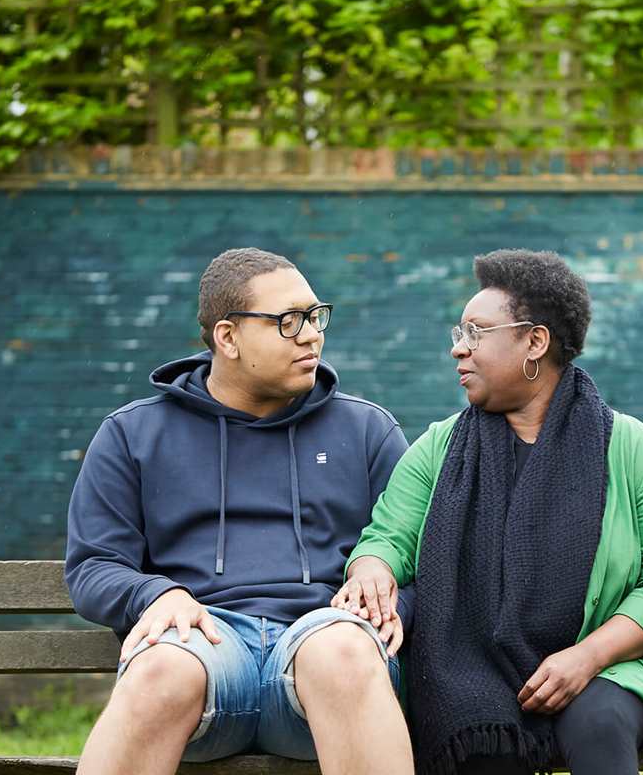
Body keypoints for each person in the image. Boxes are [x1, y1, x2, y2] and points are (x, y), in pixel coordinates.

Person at [334, 249, 643, 775]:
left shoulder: (632, 450)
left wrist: (586, 658)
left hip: (607, 667)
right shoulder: (439, 449)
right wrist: (372, 566)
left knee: (596, 720)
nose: (458, 350)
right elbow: (387, 537)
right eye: (458, 333)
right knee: (476, 734)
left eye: (476, 332)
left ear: (534, 341)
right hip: (472, 668)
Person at [65, 247, 414, 775]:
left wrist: (387, 604)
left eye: (316, 316)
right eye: (288, 321)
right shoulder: (133, 434)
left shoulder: (366, 432)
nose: (311, 334)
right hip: (204, 648)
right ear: (227, 337)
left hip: (319, 649)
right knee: (162, 665)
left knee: (343, 650)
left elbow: (426, 553)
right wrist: (153, 593)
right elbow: (92, 565)